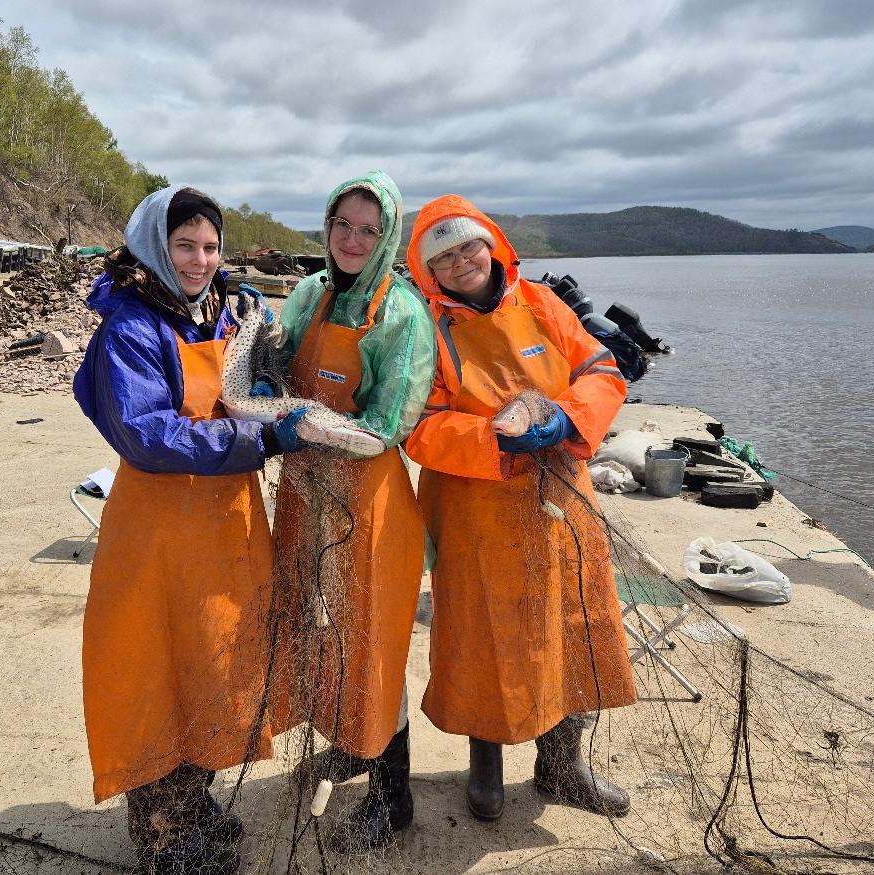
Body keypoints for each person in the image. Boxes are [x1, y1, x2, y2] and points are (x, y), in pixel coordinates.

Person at [73, 185, 307, 875]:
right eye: (185, 245)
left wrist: (271, 375)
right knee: (156, 677)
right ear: (155, 245)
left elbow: (253, 373)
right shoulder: (130, 327)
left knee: (218, 669)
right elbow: (148, 435)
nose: (201, 259)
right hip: (158, 539)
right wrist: (258, 439)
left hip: (226, 527)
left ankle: (194, 800)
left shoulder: (223, 310)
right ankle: (164, 838)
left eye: (210, 246)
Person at [402, 195, 638, 823]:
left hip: (562, 490)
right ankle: (486, 770)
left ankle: (563, 766)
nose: (459, 262)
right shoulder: (422, 327)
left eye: (467, 246)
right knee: (485, 635)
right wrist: (492, 440)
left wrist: (565, 416)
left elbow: (603, 369)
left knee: (573, 622)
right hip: (476, 504)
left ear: (492, 244)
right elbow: (416, 424)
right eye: (443, 256)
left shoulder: (540, 302)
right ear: (427, 271)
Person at [264, 170, 436, 853]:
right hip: (306, 499)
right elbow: (275, 366)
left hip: (371, 504)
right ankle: (352, 745)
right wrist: (258, 359)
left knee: (374, 644)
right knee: (318, 631)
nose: (354, 239)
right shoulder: (308, 292)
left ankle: (396, 800)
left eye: (369, 229)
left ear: (387, 234)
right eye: (343, 225)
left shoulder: (402, 314)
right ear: (326, 228)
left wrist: (312, 424)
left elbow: (389, 421)